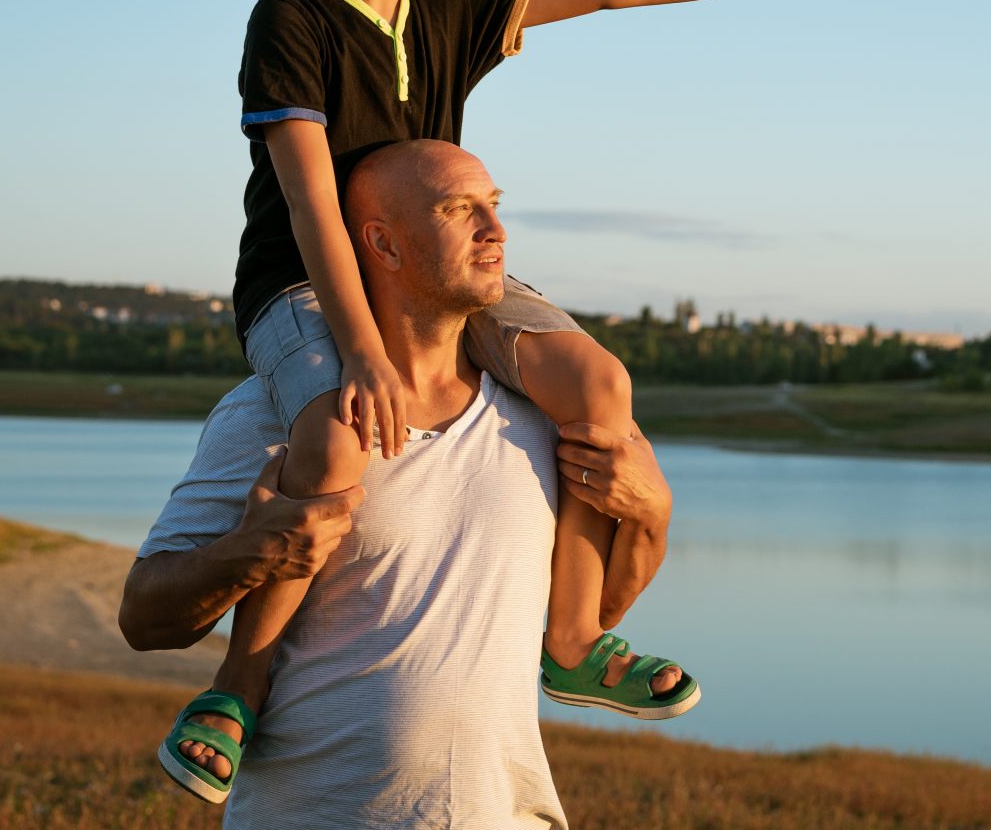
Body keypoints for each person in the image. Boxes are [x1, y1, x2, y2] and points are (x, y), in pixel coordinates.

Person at [161, 0, 822, 801]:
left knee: (597, 384)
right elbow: (307, 200)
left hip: (438, 273)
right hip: (305, 283)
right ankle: (238, 684)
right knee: (338, 433)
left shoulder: (451, 1)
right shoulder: (290, 19)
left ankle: (572, 634)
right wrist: (367, 354)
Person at [123, 140, 678, 826]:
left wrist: (653, 514)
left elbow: (601, 613)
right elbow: (144, 617)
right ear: (383, 243)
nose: (496, 231)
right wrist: (248, 552)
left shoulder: (541, 413)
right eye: (459, 210)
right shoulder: (279, 414)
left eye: (494, 207)